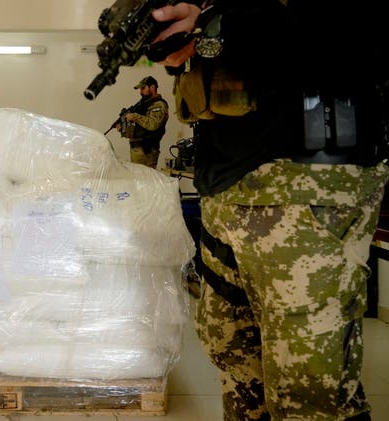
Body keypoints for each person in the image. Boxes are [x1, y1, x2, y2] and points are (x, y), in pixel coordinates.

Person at [146, 1, 389, 420]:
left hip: (308, 177)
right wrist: (184, 44)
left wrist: (220, 22)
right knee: (235, 360)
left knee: (308, 386)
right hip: (227, 183)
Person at [116, 75, 168, 169]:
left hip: (147, 150)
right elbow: (139, 126)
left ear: (152, 87)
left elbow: (153, 124)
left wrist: (134, 116)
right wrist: (124, 127)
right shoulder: (144, 104)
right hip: (137, 149)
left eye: (143, 88)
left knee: (146, 181)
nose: (141, 92)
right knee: (137, 180)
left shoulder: (158, 105)